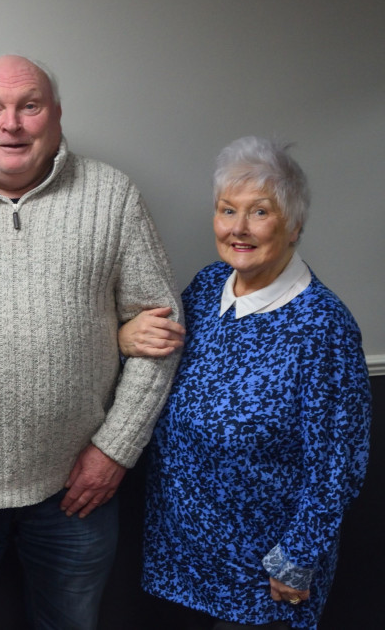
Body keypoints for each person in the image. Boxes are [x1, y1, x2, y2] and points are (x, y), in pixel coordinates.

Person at [0, 54, 181, 629]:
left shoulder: (113, 197)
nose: (10, 124)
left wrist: (115, 450)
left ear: (58, 116)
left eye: (29, 106)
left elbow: (160, 331)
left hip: (77, 489)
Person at [127, 136, 372, 630]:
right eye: (226, 210)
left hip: (263, 573)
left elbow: (337, 464)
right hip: (183, 555)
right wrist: (127, 333)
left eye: (259, 212)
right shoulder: (205, 287)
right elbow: (158, 349)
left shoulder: (323, 326)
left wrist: (297, 559)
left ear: (295, 224)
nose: (238, 228)